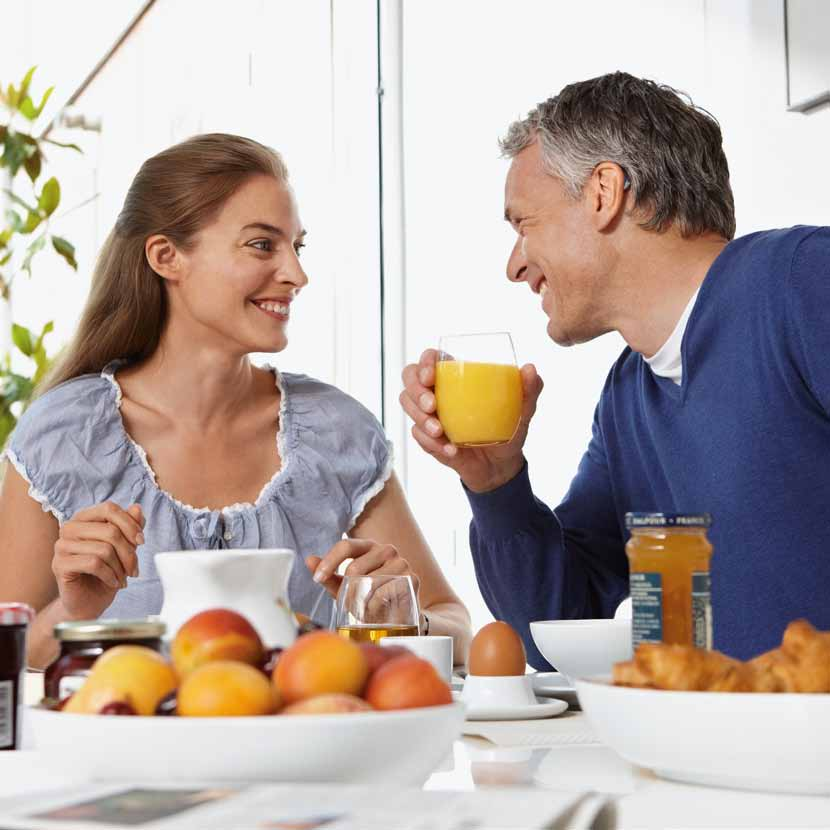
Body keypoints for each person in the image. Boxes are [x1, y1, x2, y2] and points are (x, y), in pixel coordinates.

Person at [400, 71, 830, 668]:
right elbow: (557, 629)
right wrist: (495, 485)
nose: (514, 265)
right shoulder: (629, 395)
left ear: (604, 192)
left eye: (524, 223)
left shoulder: (804, 282)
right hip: (715, 751)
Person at [0, 133, 471, 669]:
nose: (296, 273)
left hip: (307, 750)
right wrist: (78, 609)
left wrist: (402, 616)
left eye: (297, 246)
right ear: (166, 256)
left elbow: (453, 622)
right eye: (262, 245)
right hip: (129, 752)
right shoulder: (62, 435)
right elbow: (7, 662)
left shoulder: (337, 430)